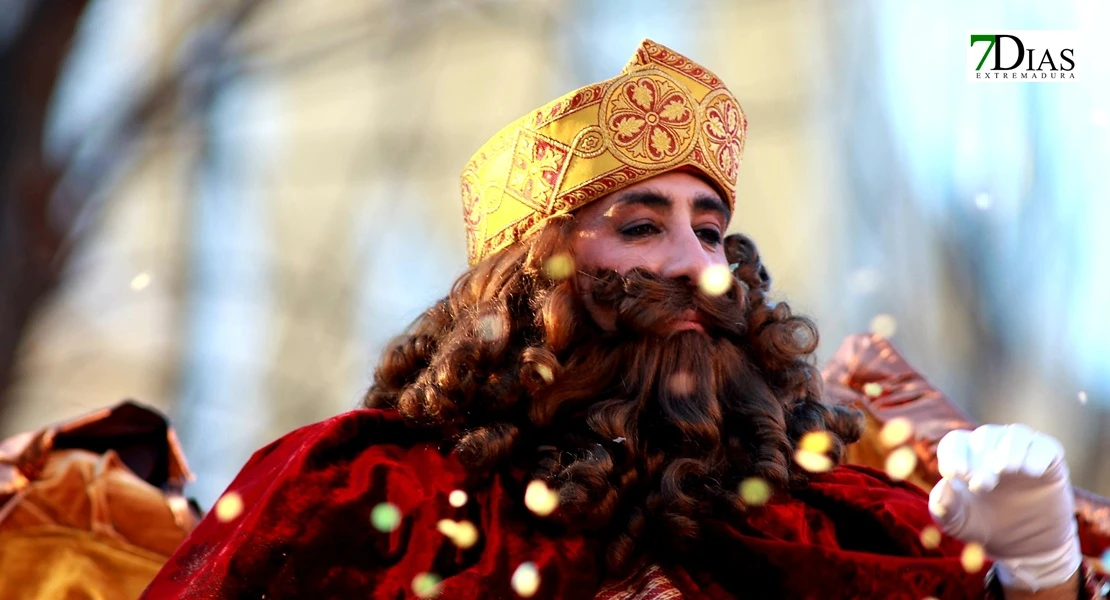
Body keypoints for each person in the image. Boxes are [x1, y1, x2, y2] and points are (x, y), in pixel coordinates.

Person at [141, 40, 1090, 599]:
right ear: (527, 281)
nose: (696, 265)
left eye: (712, 231)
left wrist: (1037, 580)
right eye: (641, 225)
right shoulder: (363, 492)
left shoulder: (827, 529)